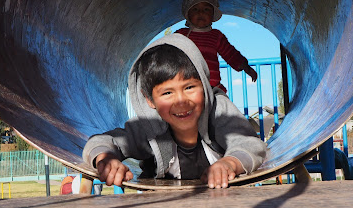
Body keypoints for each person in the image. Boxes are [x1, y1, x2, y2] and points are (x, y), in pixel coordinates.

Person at [82, 34, 267, 189]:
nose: (181, 101)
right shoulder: (149, 125)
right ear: (150, 100)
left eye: (189, 87)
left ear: (204, 85)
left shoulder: (217, 109)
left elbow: (249, 143)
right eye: (167, 92)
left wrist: (230, 163)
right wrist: (105, 159)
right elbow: (103, 141)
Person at [175, 0, 257, 93]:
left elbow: (231, 54)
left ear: (213, 15)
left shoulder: (216, 36)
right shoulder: (181, 34)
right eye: (195, 9)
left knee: (222, 106)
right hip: (187, 86)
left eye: (206, 9)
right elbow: (167, 53)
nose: (200, 12)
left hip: (212, 87)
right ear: (188, 15)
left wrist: (246, 67)